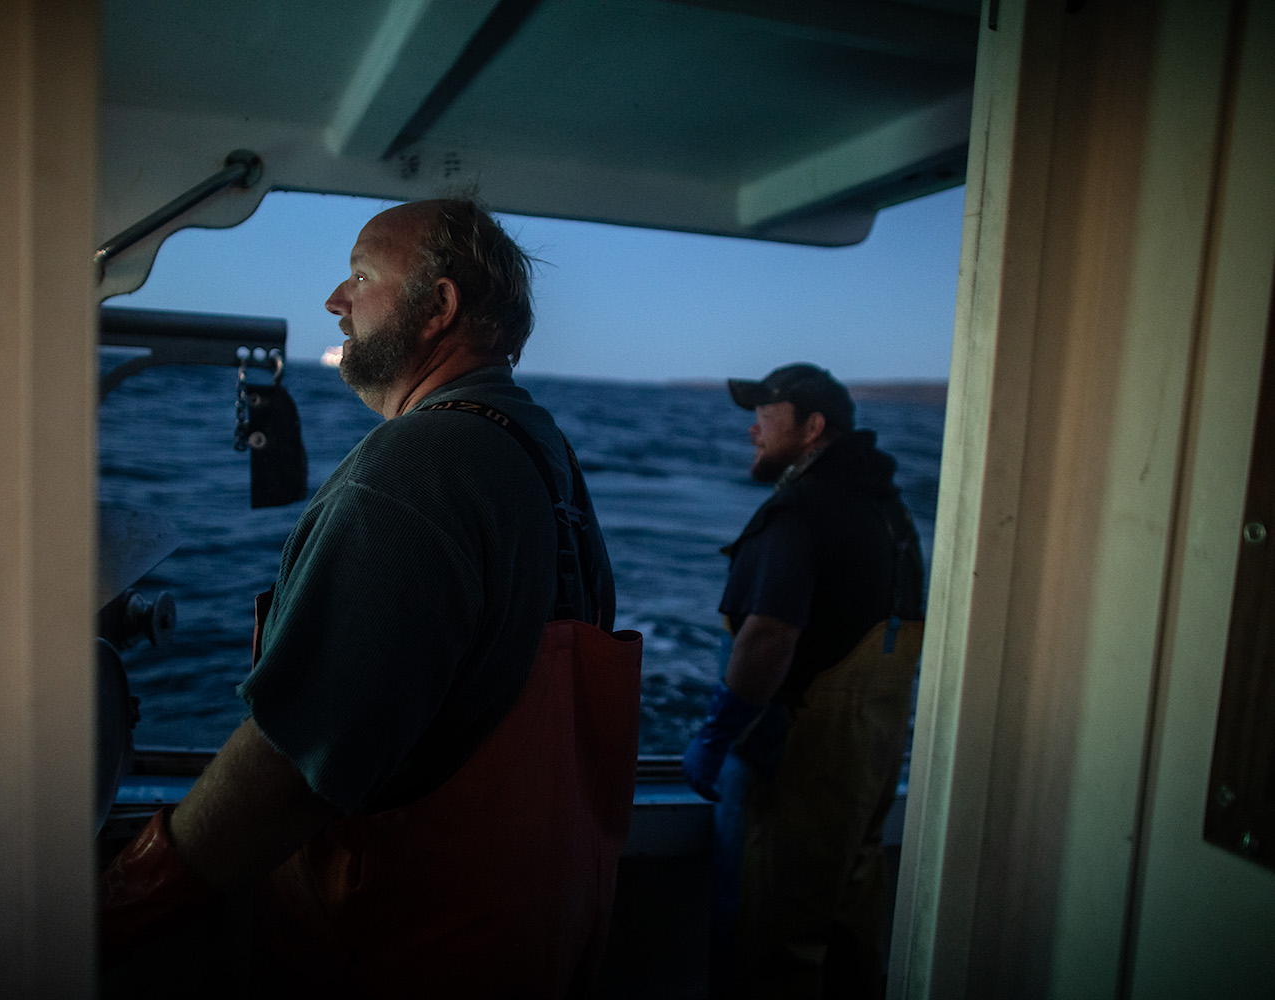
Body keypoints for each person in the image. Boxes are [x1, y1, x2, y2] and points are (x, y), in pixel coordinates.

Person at [100, 198, 642, 995]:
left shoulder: (418, 468)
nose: (334, 300)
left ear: (439, 306)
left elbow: (295, 763)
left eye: (360, 274)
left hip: (397, 952)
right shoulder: (544, 453)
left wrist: (122, 905)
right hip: (536, 945)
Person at [681, 363, 925, 999]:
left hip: (796, 766)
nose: (753, 428)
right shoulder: (891, 514)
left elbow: (769, 633)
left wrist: (720, 732)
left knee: (769, 945)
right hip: (867, 764)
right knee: (849, 933)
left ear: (813, 427)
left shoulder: (799, 510)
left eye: (766, 413)